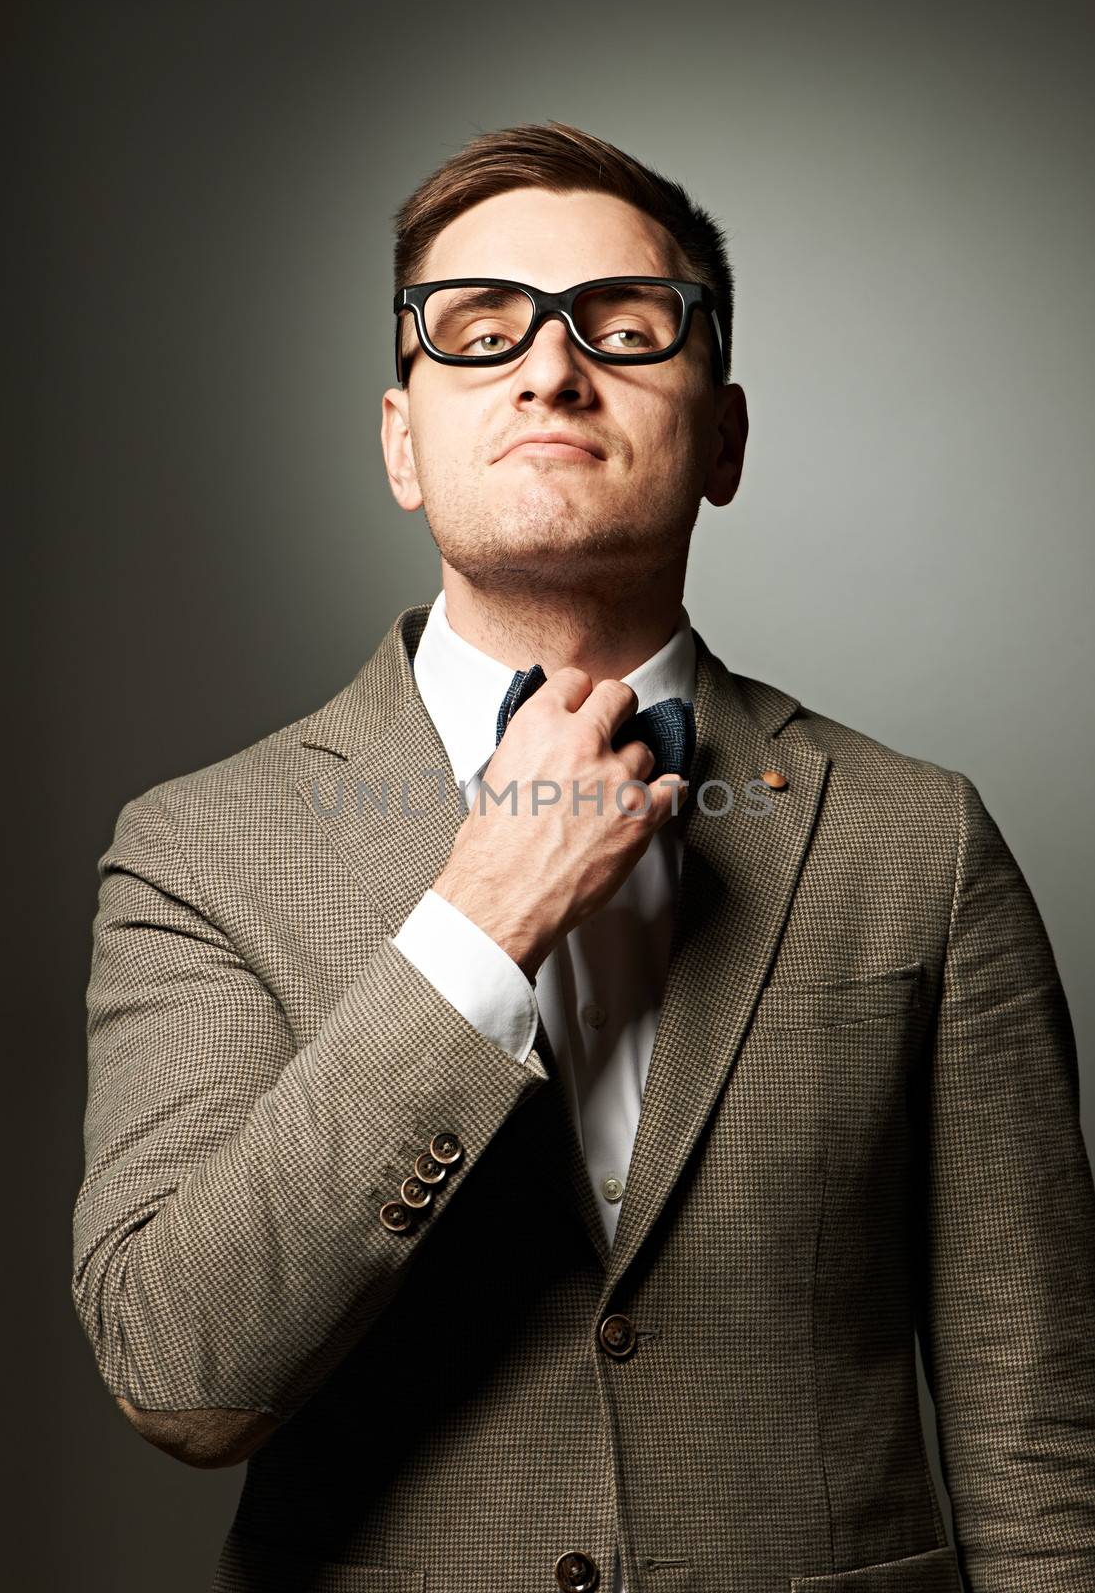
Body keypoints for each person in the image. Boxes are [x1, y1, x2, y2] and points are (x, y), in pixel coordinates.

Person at [72, 121, 1095, 1593]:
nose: (551, 369)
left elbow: (1041, 1427)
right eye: (480, 334)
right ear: (400, 443)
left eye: (621, 328)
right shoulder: (197, 851)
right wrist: (481, 921)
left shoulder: (917, 838)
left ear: (724, 437)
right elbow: (179, 1370)